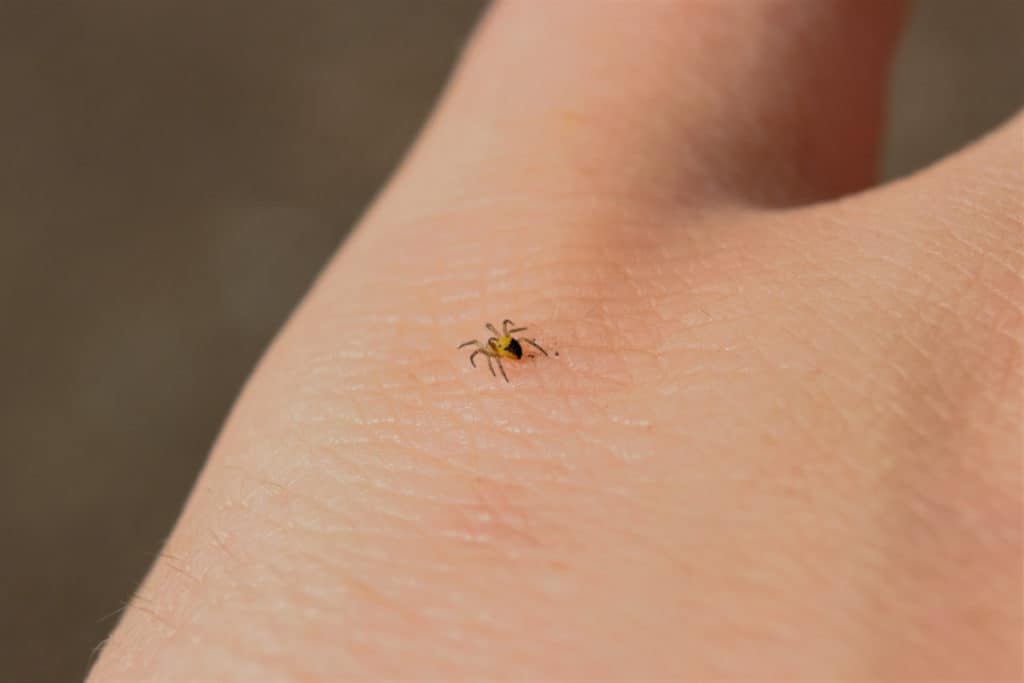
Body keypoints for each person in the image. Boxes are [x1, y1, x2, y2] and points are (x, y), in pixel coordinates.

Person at [89, 1, 1021, 678]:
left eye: (498, 347)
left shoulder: (504, 341)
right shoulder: (500, 346)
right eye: (498, 352)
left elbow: (507, 338)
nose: (497, 349)